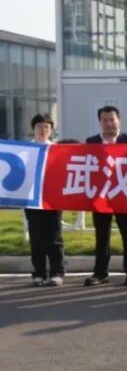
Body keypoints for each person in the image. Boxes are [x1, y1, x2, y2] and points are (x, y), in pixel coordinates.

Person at [84, 105, 127, 287]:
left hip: (123, 194)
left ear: (118, 120)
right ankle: (100, 272)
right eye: (104, 120)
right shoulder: (91, 142)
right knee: (101, 235)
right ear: (99, 122)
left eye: (112, 119)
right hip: (100, 195)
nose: (109, 123)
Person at [25, 114, 64, 287]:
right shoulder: (25, 150)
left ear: (51, 130)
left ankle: (57, 273)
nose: (43, 130)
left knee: (54, 236)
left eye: (47, 127)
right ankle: (39, 273)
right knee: (36, 238)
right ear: (33, 129)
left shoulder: (56, 150)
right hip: (31, 199)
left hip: (52, 199)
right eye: (39, 127)